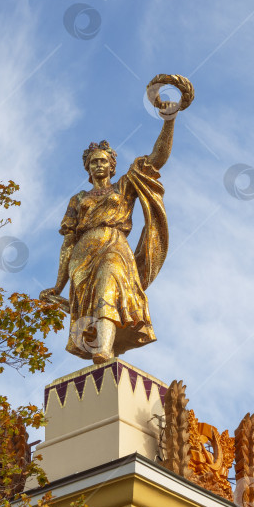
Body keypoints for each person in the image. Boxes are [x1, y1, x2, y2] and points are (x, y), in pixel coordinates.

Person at [39, 117, 176, 363]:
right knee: (87, 304)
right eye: (93, 162)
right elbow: (68, 242)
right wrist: (58, 286)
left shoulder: (124, 186)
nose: (98, 165)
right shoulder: (78, 199)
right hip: (83, 254)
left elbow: (157, 158)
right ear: (87, 168)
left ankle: (102, 348)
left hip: (114, 244)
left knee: (108, 283)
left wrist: (169, 120)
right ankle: (104, 347)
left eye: (103, 160)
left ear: (112, 165)